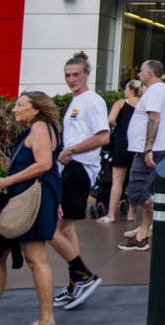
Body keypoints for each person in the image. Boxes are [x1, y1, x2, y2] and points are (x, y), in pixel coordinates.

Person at [0, 91, 63, 325]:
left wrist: (8, 180)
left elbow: (44, 164)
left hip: (28, 200)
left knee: (35, 259)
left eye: (20, 105)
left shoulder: (39, 127)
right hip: (22, 201)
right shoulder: (47, 128)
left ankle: (46, 319)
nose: (14, 109)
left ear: (36, 109)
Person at [50, 52, 109, 311]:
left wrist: (71, 151)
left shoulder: (91, 101)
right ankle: (77, 281)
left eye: (75, 74)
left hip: (81, 169)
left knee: (57, 226)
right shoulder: (77, 101)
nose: (71, 79)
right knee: (65, 226)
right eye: (67, 75)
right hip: (71, 168)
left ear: (87, 74)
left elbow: (103, 136)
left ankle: (82, 276)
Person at [118, 59, 165, 251]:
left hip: (149, 151)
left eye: (141, 71)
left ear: (150, 74)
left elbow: (154, 118)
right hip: (152, 149)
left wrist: (148, 148)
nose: (138, 74)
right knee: (147, 192)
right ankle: (142, 234)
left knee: (136, 192)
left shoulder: (156, 91)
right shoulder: (159, 90)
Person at [99, 78, 142, 223]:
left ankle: (111, 215)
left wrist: (115, 125)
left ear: (130, 91)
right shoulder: (143, 105)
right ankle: (130, 214)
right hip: (137, 145)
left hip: (122, 143)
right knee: (132, 181)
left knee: (117, 181)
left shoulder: (121, 103)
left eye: (125, 89)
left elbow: (110, 119)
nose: (124, 91)